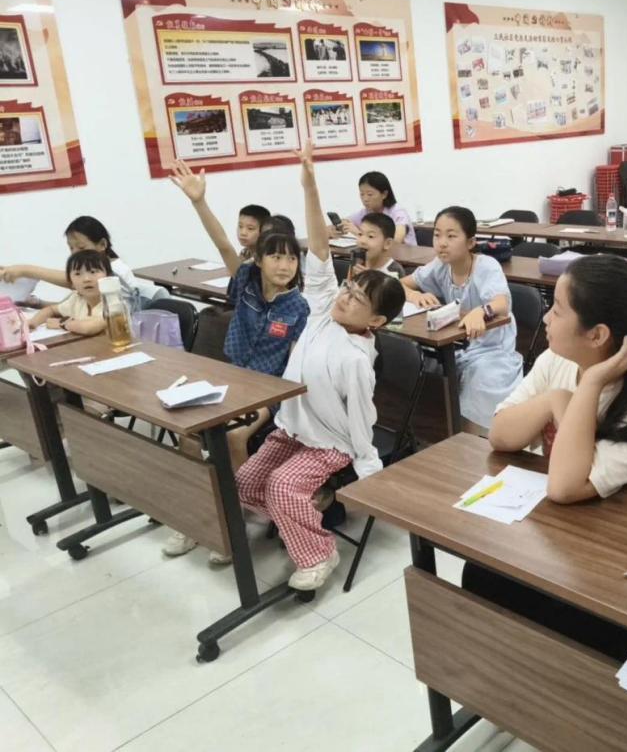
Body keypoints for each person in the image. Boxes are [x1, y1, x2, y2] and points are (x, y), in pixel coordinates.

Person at [233, 141, 406, 591]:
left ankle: (318, 552)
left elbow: (361, 418)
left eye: (358, 300)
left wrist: (366, 465)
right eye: (348, 289)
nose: (345, 298)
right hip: (293, 427)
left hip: (331, 443)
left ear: (376, 321)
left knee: (282, 485)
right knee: (247, 480)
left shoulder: (356, 357)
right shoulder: (322, 308)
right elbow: (320, 250)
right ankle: (296, 516)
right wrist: (310, 186)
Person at [164, 164, 308, 560]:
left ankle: (237, 518)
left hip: (268, 391)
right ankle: (203, 511)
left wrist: (279, 399)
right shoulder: (244, 281)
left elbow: (297, 368)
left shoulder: (298, 307)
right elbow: (224, 245)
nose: (284, 265)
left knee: (232, 437)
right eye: (275, 257)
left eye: (291, 259)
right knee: (189, 434)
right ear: (258, 260)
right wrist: (199, 201)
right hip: (229, 376)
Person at [490, 253, 627, 501]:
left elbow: (563, 489)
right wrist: (554, 399)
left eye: (557, 310)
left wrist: (590, 384)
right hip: (590, 517)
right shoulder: (557, 360)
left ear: (596, 335)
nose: (545, 318)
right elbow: (499, 435)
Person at [401, 206, 522, 432]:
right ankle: (435, 433)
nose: (442, 243)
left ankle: (471, 439)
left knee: (481, 377)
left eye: (451, 236)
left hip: (492, 349)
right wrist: (415, 295)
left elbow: (501, 304)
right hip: (458, 342)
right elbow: (400, 284)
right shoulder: (440, 265)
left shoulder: (486, 266)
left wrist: (481, 311)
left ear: (470, 242)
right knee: (420, 364)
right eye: (437, 235)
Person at [0, 215, 165, 305]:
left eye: (81, 247)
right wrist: (37, 303)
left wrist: (26, 270)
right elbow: (75, 309)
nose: (74, 254)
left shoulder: (115, 271)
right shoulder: (92, 276)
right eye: (71, 248)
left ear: (102, 244)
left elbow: (71, 282)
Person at [26, 250, 111, 336]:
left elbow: (89, 328)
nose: (86, 279)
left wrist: (62, 323)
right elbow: (51, 310)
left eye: (93, 272)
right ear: (71, 283)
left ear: (108, 276)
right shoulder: (77, 299)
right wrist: (33, 322)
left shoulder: (113, 300)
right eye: (78, 274)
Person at [337, 172, 415, 246]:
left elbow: (395, 241)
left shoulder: (397, 212)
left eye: (370, 194)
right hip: (380, 254)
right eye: (362, 194)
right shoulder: (366, 212)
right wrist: (343, 225)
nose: (365, 199)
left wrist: (359, 234)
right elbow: (345, 221)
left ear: (384, 194)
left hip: (405, 254)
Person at [352, 212, 404, 278]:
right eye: (360, 234)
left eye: (370, 236)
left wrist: (368, 278)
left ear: (387, 243)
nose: (362, 241)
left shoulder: (393, 271)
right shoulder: (358, 262)